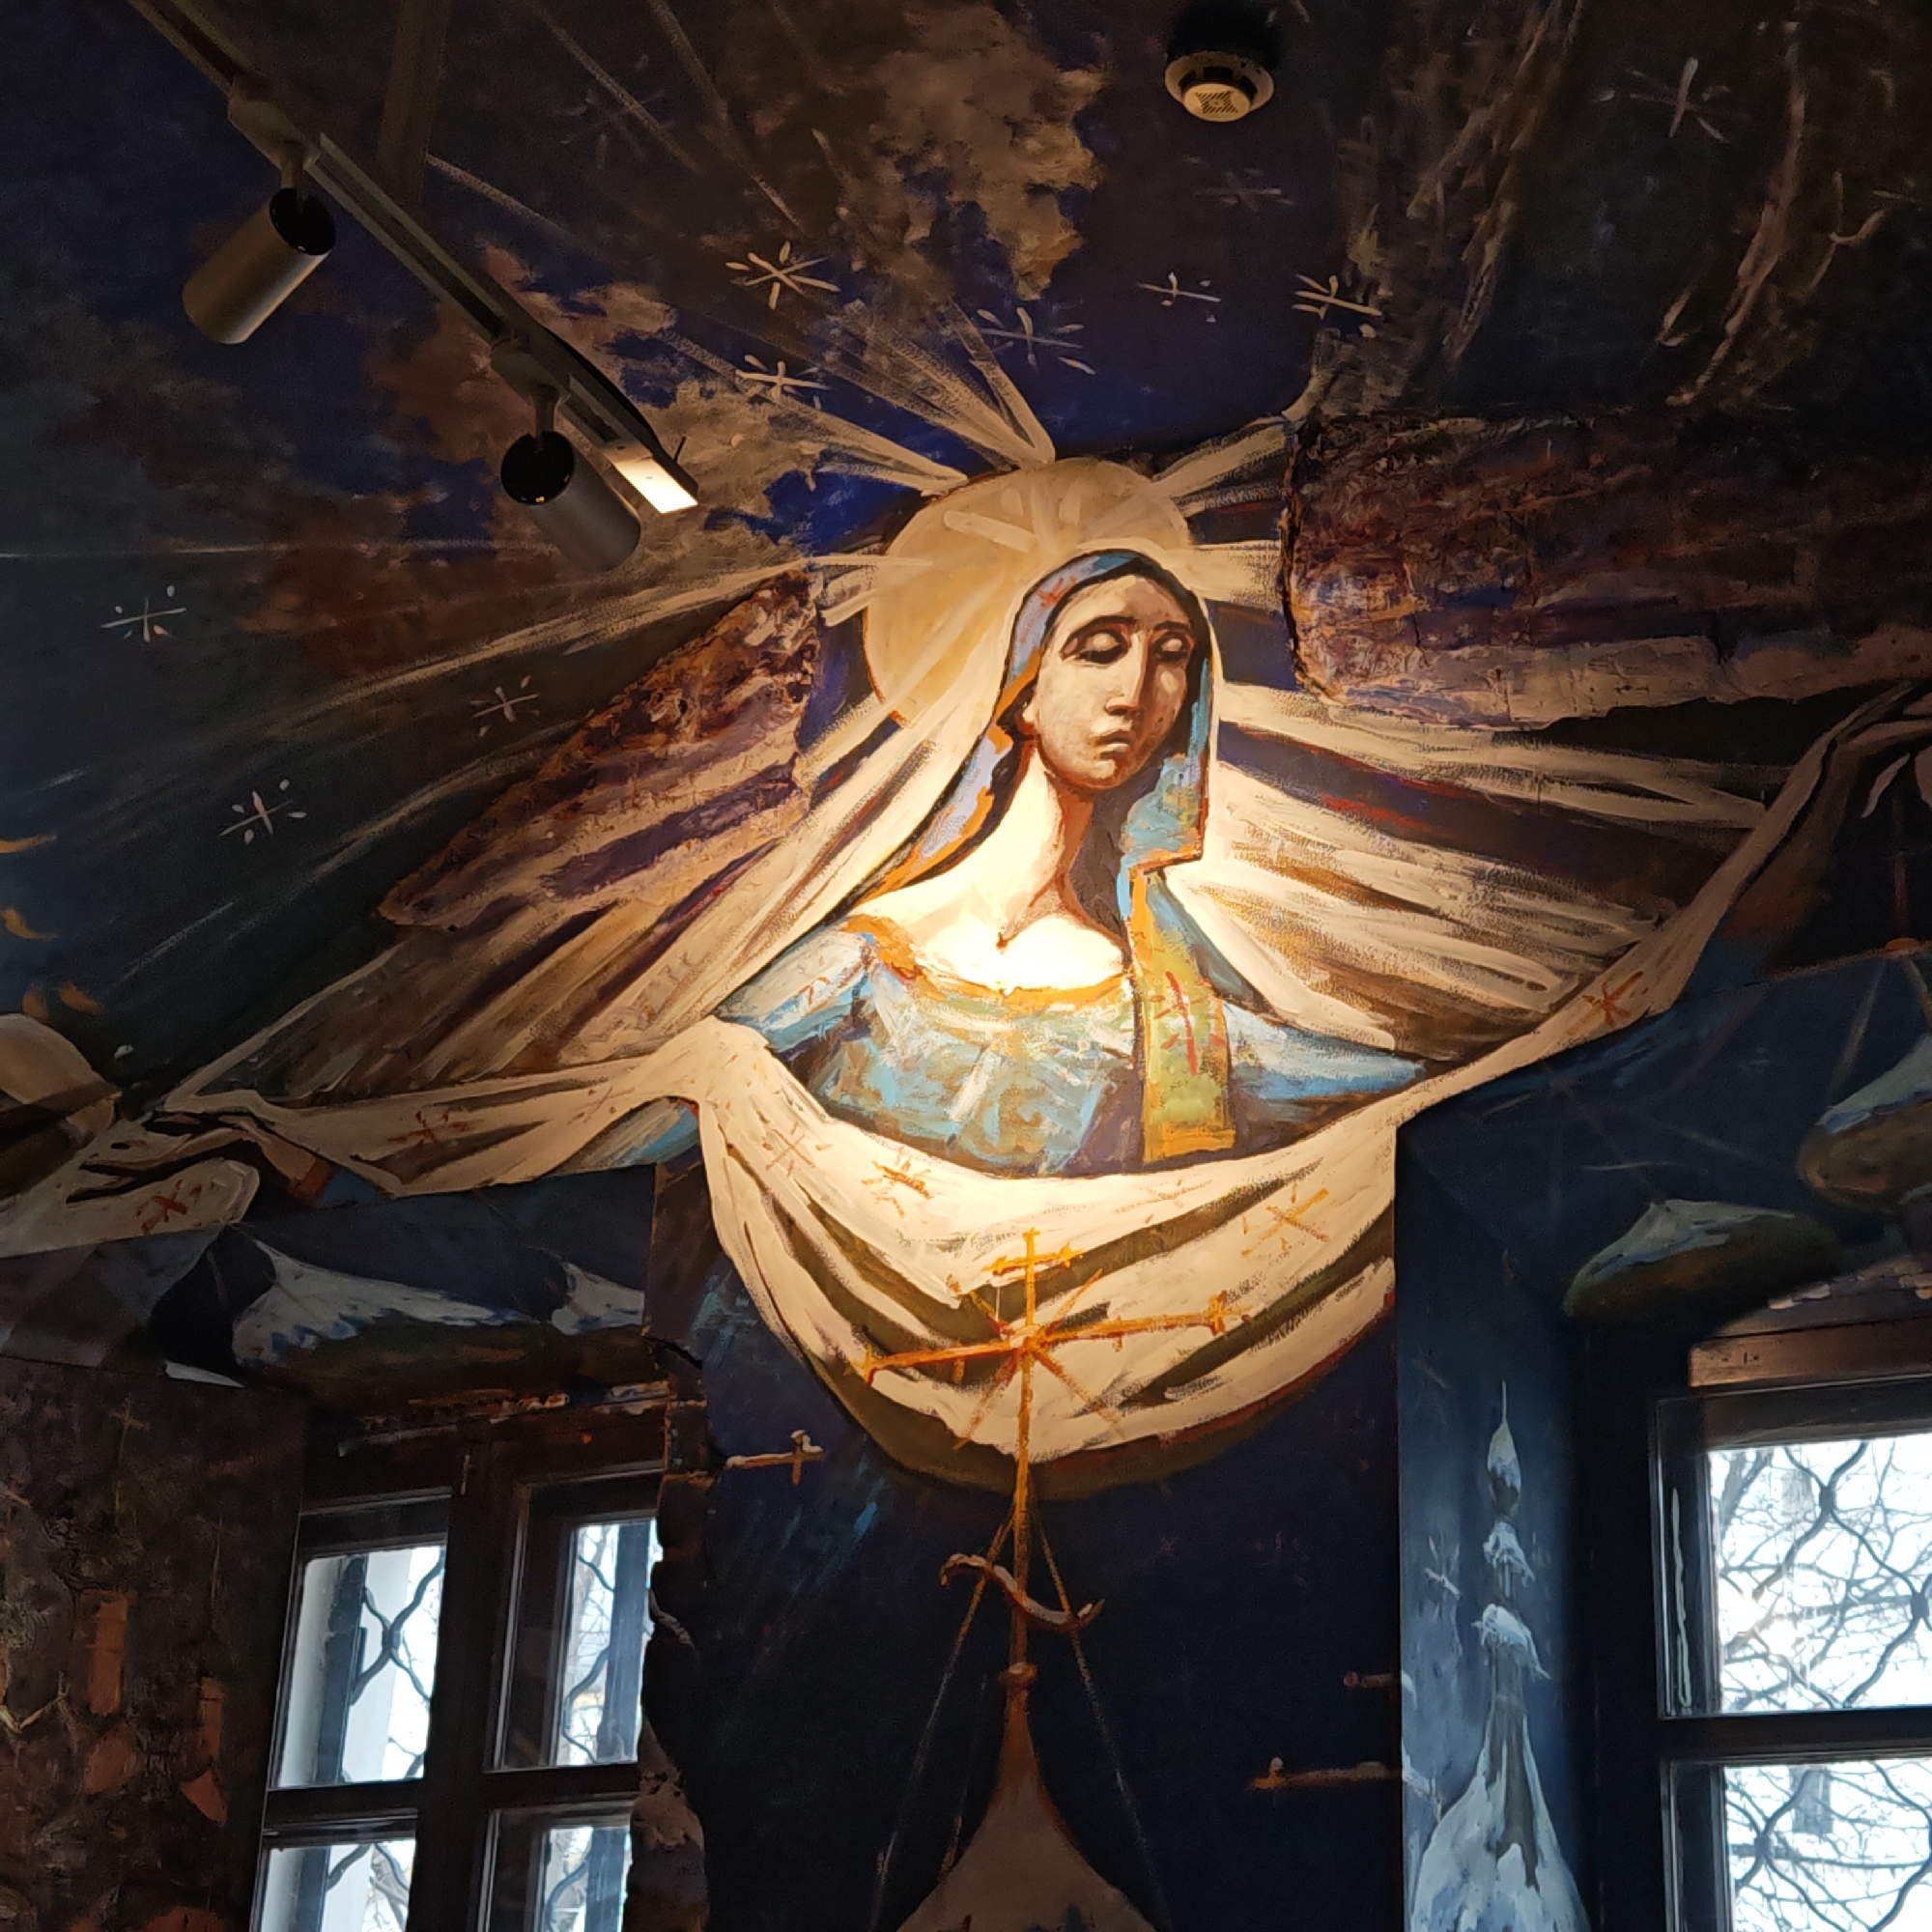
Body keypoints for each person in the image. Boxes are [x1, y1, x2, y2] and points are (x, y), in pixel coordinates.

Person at [627, 550, 1420, 1178]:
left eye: (1171, 657)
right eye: (1099, 650)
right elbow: (663, 1120)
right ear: (1024, 691)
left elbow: (1364, 1091)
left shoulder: (1164, 1005)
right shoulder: (874, 953)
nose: (1134, 691)